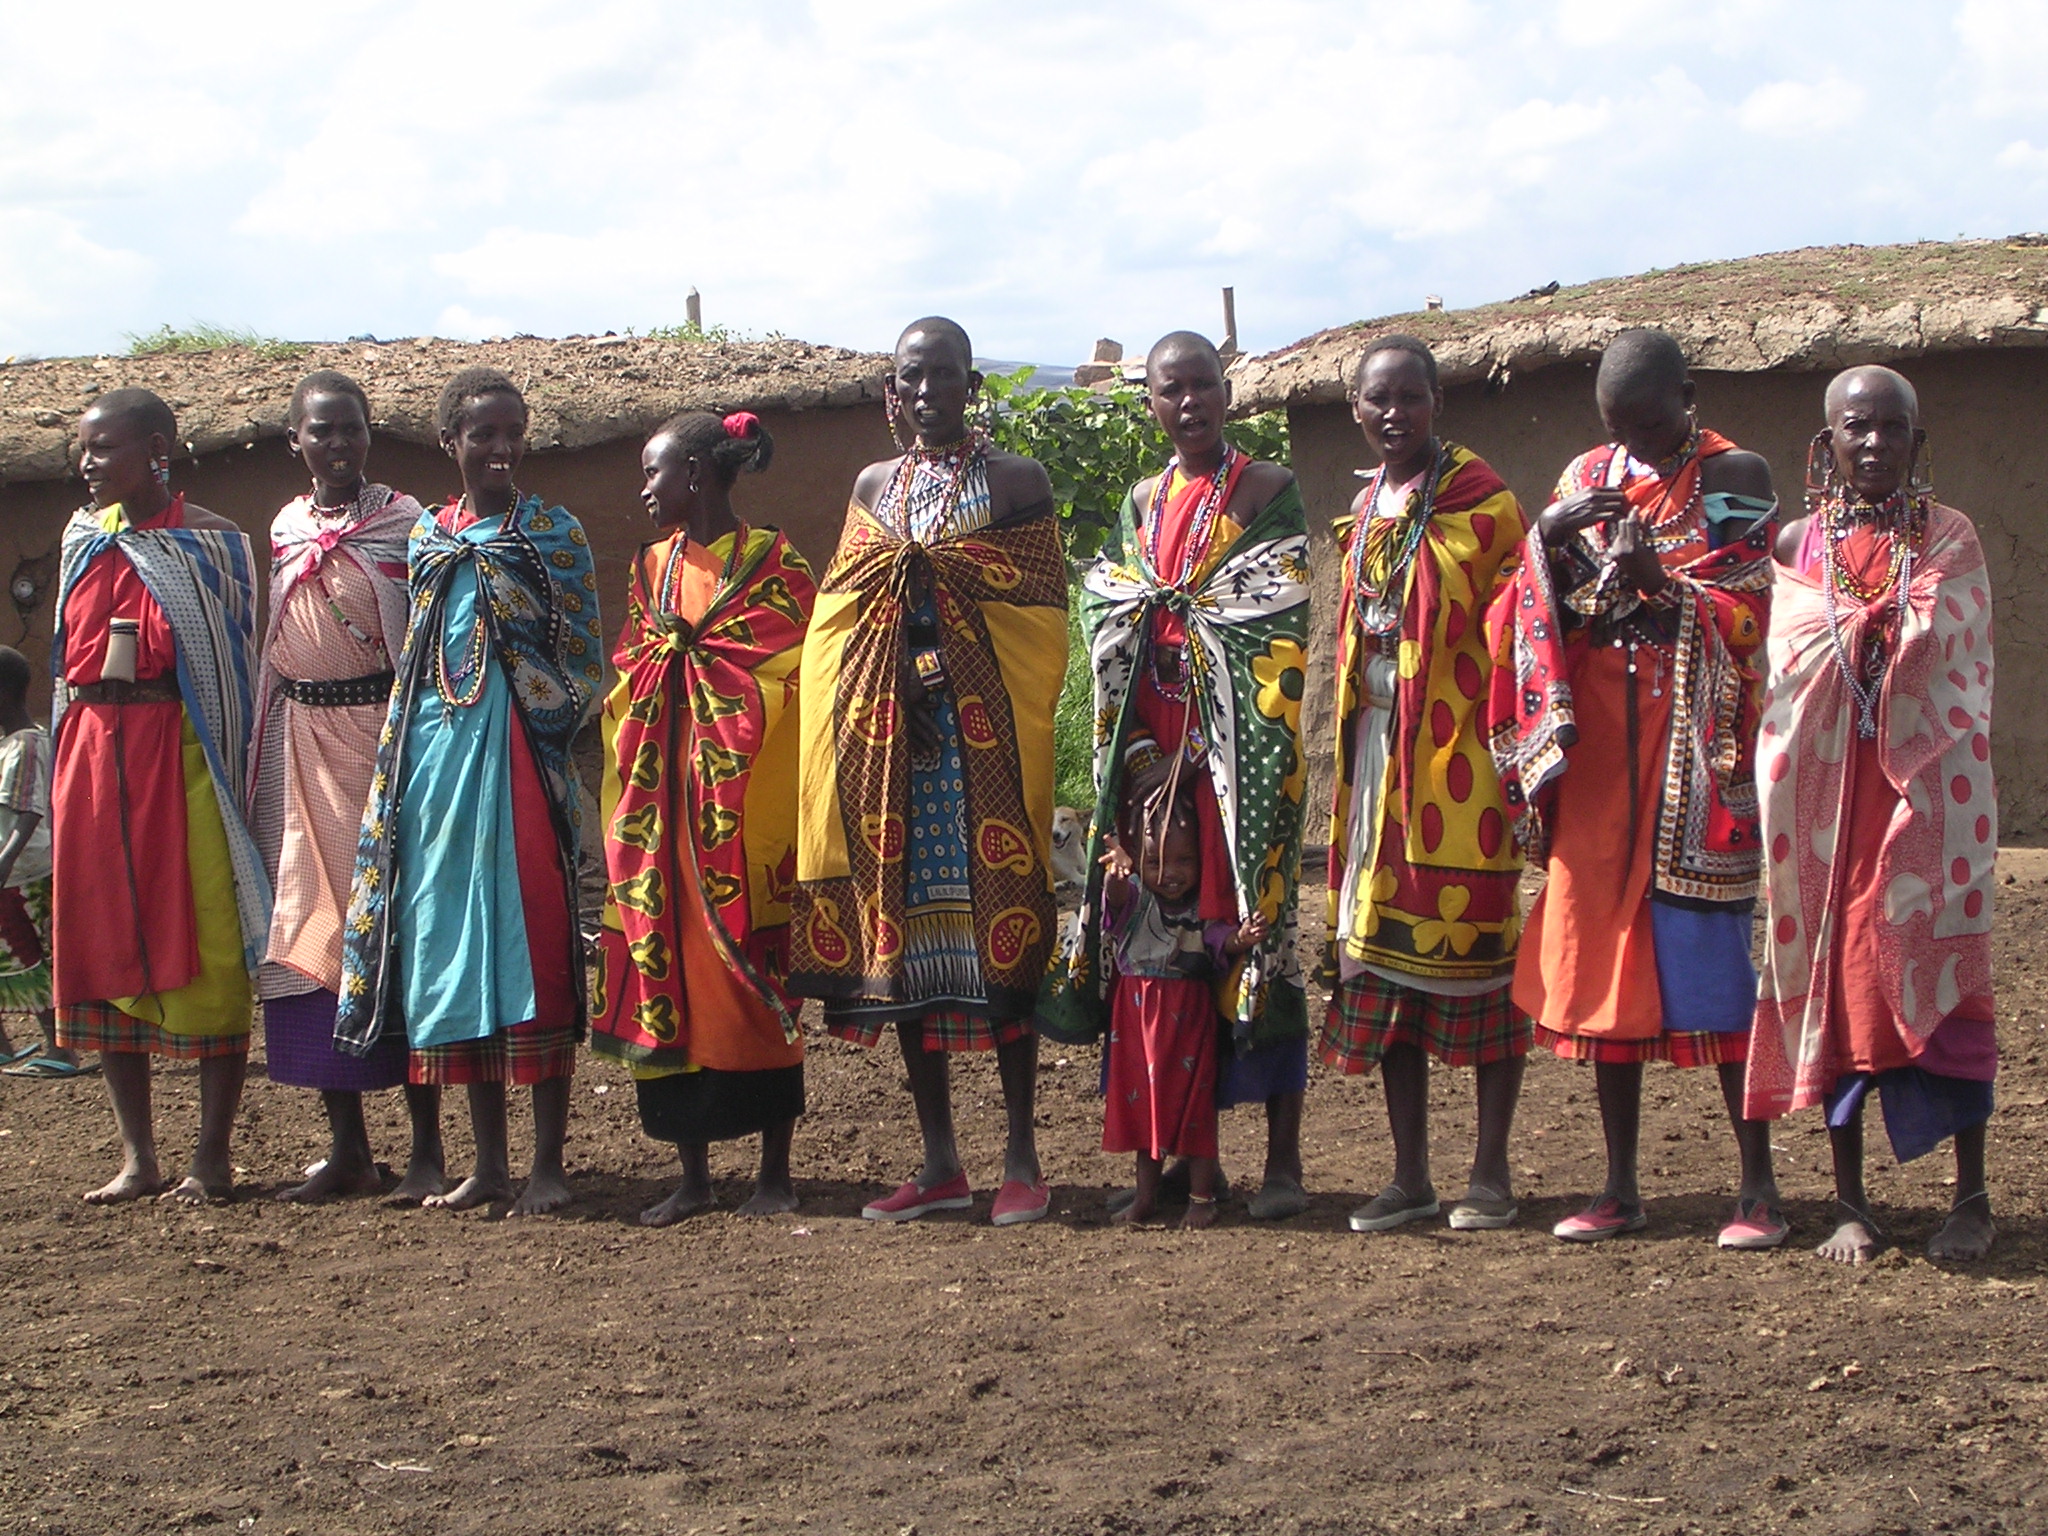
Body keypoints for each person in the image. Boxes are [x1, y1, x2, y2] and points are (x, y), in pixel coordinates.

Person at [1489, 328, 1784, 1247]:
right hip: (1600, 761)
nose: (1637, 447)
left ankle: (1759, 1188)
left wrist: (1667, 587)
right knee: (1599, 969)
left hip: (1693, 757)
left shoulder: (1738, 473)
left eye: (1652, 427)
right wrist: (1545, 541)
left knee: (1710, 965)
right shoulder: (1586, 477)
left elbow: (1759, 602)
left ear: (1686, 398)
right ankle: (1619, 1184)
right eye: (1620, 427)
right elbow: (1528, 599)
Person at [789, 316, 1067, 1226]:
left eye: (943, 376)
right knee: (901, 946)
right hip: (890, 748)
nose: (926, 392)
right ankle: (941, 1161)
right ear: (891, 392)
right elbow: (843, 611)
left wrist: (950, 665)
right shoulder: (877, 485)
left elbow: (1040, 622)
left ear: (970, 384)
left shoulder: (1017, 481)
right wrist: (885, 683)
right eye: (911, 378)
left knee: (1005, 935)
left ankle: (1022, 1155)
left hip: (986, 739)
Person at [1042, 329, 1312, 1221]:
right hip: (1152, 746)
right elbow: (1113, 610)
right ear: (1150, 402)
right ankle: (1177, 1161)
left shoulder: (1268, 492)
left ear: (1226, 393)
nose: (1189, 402)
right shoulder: (1140, 500)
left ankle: (1280, 1159)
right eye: (1170, 389)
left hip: (1241, 745)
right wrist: (1143, 759)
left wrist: (1211, 739)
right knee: (1159, 952)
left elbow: (1273, 617)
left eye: (1203, 385)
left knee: (1251, 933)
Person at [338, 368, 603, 1216]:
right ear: (450, 441)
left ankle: (549, 1165)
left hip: (524, 760)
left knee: (534, 940)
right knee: (456, 948)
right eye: (482, 434)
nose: (500, 448)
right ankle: (487, 1165)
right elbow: (416, 653)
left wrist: (529, 713)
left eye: (512, 432)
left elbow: (580, 654)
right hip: (438, 762)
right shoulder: (426, 538)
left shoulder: (551, 533)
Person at [1747, 366, 1998, 1263]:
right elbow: (1790, 662)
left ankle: (1970, 1197)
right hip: (1830, 808)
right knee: (1843, 978)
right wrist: (1860, 626)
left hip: (1927, 802)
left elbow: (1955, 648)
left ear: (1915, 440)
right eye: (1858, 428)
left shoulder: (1949, 538)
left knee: (1944, 968)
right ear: (1828, 440)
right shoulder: (1798, 550)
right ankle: (1850, 1200)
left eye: (1893, 429)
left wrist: (1884, 625)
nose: (1875, 445)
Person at [1318, 336, 1531, 1233]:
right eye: (1377, 401)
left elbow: (1520, 626)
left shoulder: (1484, 504)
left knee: (1478, 964)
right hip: (1374, 762)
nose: (1393, 414)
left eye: (1410, 397)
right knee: (1378, 966)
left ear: (1438, 402)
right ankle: (1409, 1175)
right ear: (1357, 411)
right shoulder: (1368, 507)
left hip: (1456, 770)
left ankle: (1490, 1172)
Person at [593, 410, 816, 1224]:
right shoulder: (649, 567)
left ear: (696, 475)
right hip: (662, 809)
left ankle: (775, 1174)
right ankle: (691, 1175)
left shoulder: (774, 563)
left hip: (741, 810)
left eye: (655, 473)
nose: (645, 490)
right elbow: (632, 661)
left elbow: (798, 668)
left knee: (753, 975)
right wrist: (668, 673)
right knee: (671, 969)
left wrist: (715, 679)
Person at [51, 389, 268, 1203]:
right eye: (84, 449)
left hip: (184, 761)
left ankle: (211, 1155)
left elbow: (228, 672)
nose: (88, 464)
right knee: (101, 940)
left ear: (157, 449)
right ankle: (139, 1156)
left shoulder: (208, 545)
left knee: (209, 933)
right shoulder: (81, 540)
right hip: (92, 763)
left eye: (103, 448)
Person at [248, 370, 445, 1202]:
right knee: (307, 937)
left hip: (379, 747)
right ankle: (349, 1150)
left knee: (395, 939)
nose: (338, 445)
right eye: (321, 432)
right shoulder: (285, 526)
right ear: (295, 440)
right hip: (299, 754)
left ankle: (431, 1149)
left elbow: (422, 641)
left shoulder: (406, 525)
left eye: (351, 430)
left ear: (371, 435)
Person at [1098, 782, 1268, 1228]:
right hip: (1137, 1021)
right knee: (1144, 1109)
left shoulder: (1202, 906)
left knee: (1194, 1108)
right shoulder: (1136, 898)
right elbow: (1115, 906)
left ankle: (1202, 1197)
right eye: (1155, 861)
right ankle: (1145, 1198)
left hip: (1188, 1019)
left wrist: (1242, 939)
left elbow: (1218, 940)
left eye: (1184, 861)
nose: (1169, 872)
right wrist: (1116, 877)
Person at [0, 647, 79, 1079]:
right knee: (9, 957)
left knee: (31, 958)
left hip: (23, 873)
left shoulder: (27, 746)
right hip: (10, 872)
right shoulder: (10, 745)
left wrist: (6, 858)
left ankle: (61, 1049)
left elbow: (29, 809)